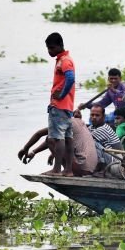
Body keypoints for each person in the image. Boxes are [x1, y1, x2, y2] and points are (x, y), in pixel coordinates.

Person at [19, 116, 98, 177]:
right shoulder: (80, 122)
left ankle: (61, 170)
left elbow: (39, 134)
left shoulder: (66, 122)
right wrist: (34, 152)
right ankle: (67, 170)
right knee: (58, 139)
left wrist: (25, 148)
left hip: (81, 168)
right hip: (90, 169)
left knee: (51, 138)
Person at [44, 32, 76, 175]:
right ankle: (68, 170)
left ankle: (57, 169)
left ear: (59, 46)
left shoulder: (64, 60)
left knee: (58, 138)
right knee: (68, 137)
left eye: (51, 48)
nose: (49, 51)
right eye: (48, 48)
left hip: (59, 105)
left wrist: (61, 95)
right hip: (68, 106)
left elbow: (70, 78)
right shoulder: (64, 59)